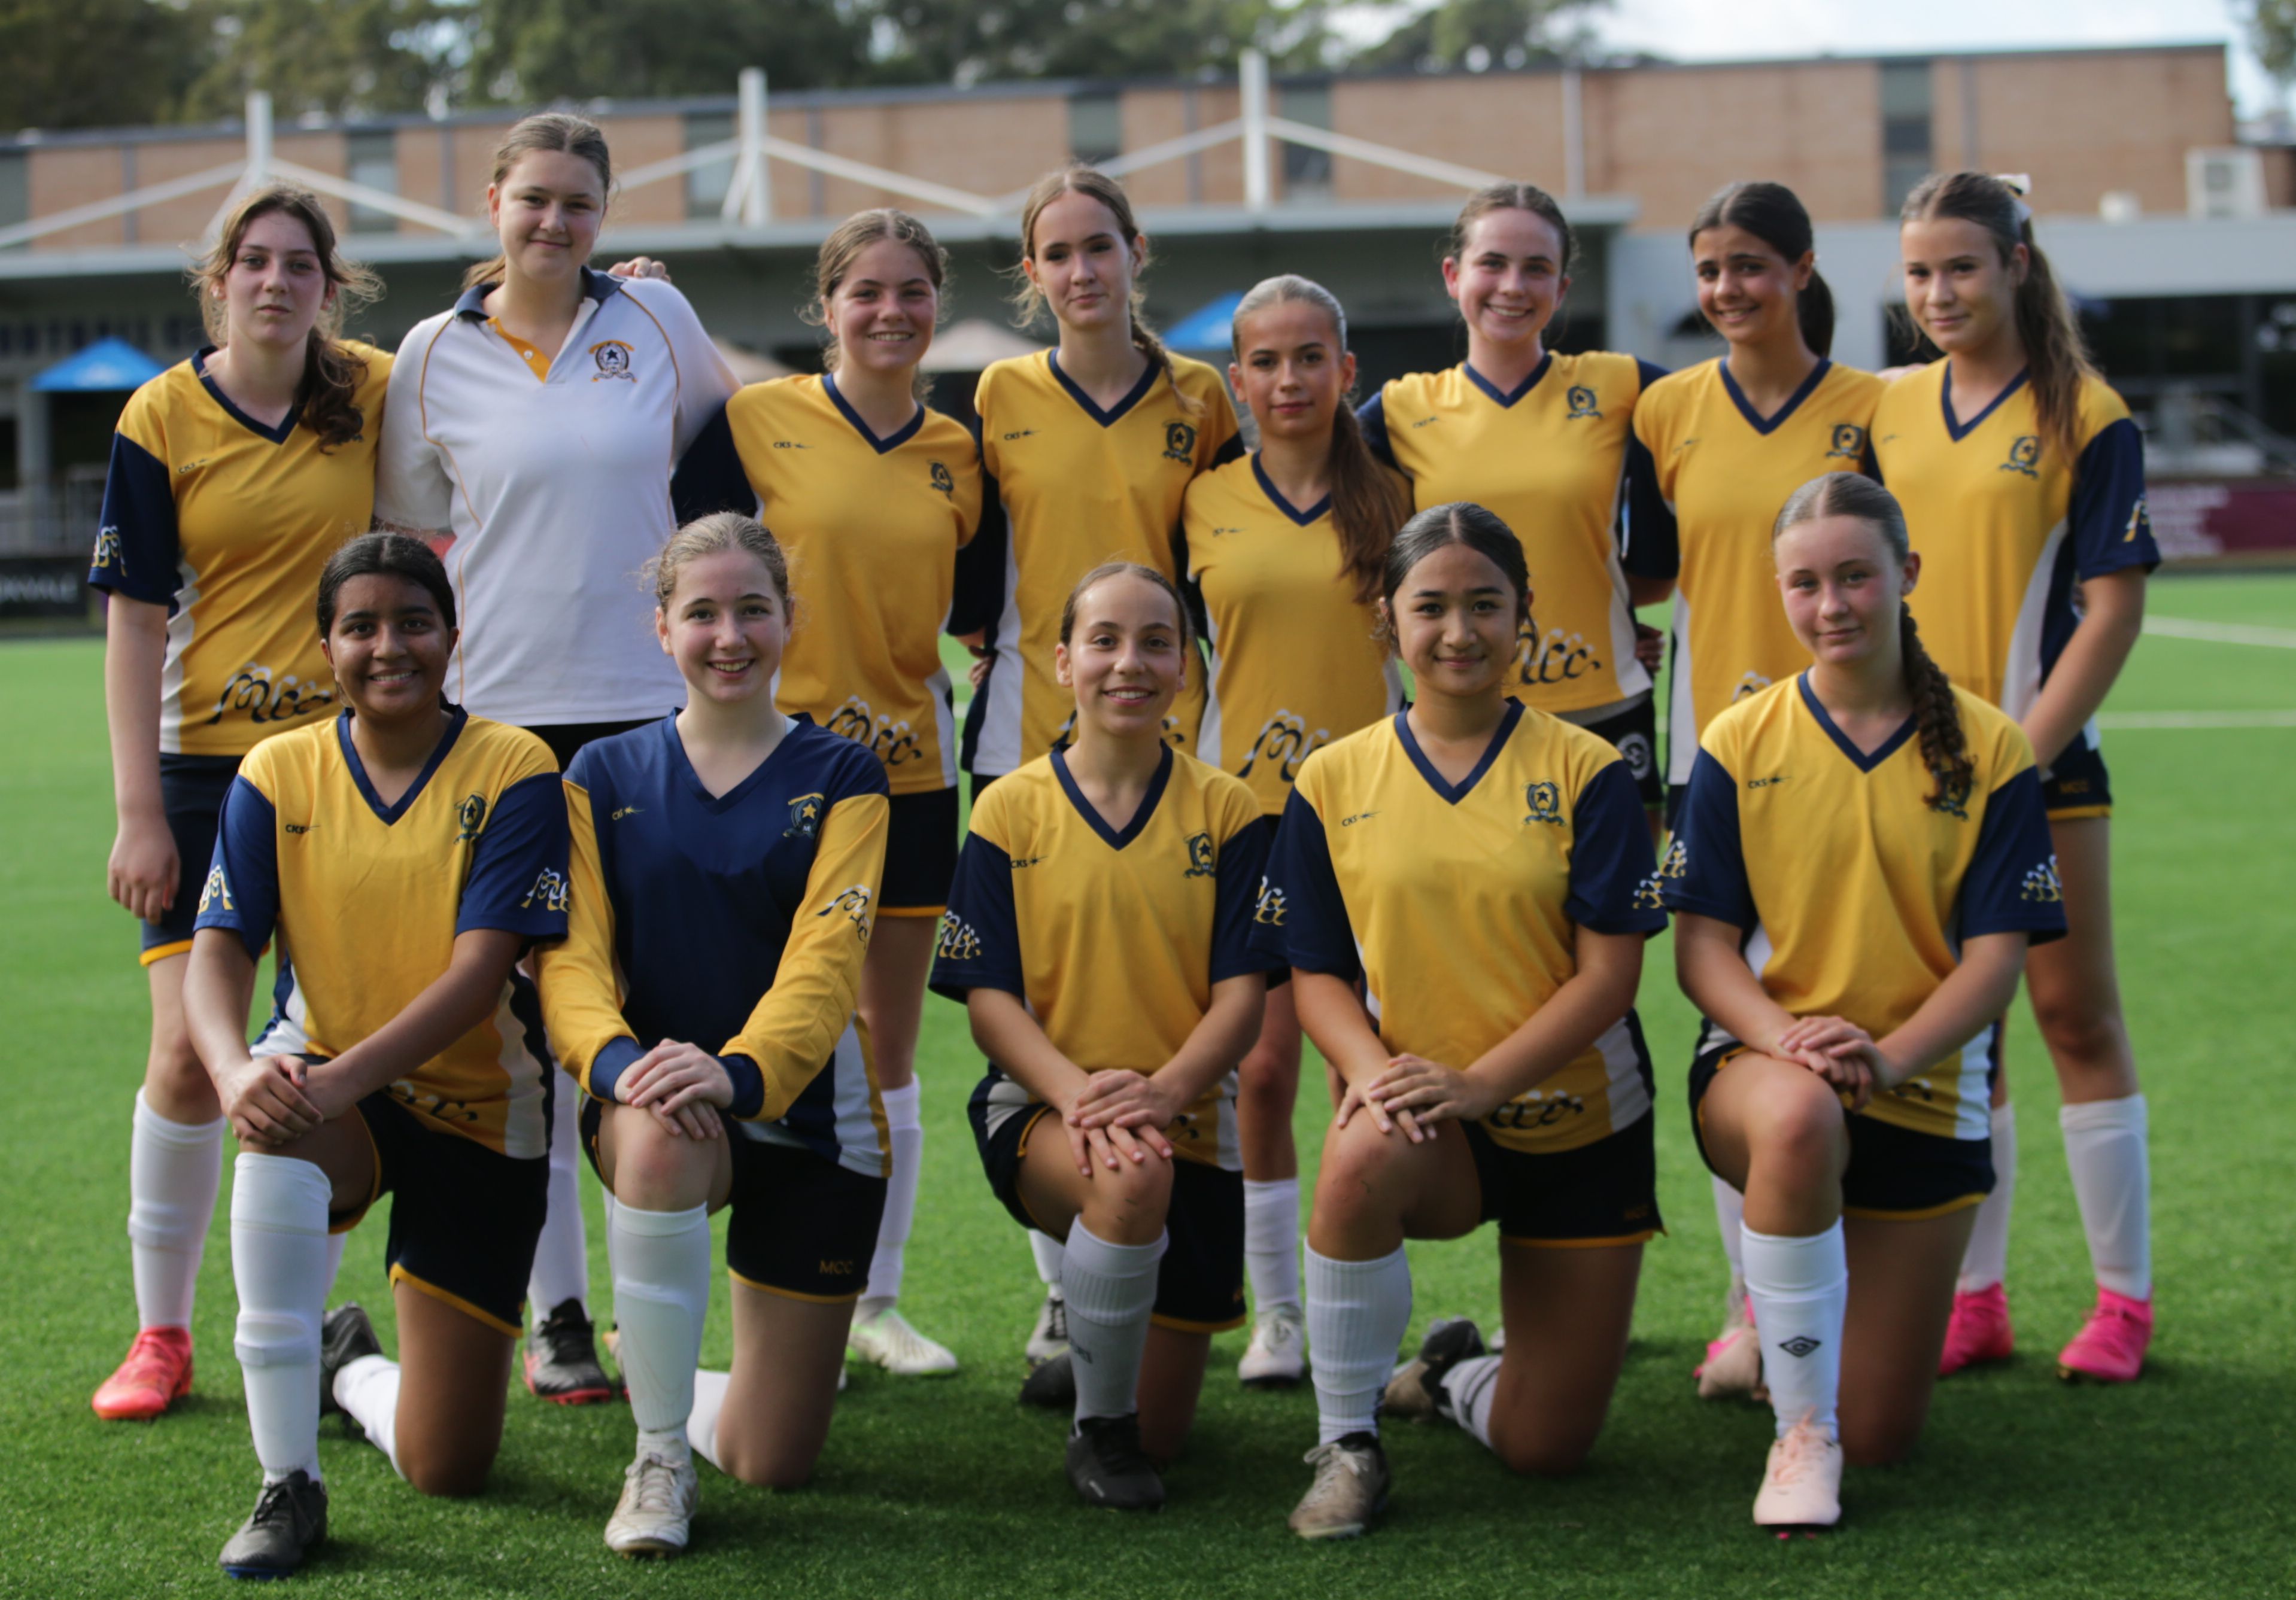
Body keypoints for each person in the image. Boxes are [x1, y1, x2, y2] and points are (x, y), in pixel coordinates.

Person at [376, 111, 739, 1402]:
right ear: (494, 203)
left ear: (605, 214)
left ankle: (657, 1310)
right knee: (521, 1032)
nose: (555, 221)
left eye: (579, 202)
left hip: (647, 721)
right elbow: (418, 525)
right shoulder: (430, 354)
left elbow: (723, 453)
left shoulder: (659, 320)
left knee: (648, 1011)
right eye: (534, 198)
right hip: (503, 727)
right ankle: (561, 1315)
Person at [1662, 472, 2066, 1528]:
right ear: (1780, 591)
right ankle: (1801, 1435)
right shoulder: (1738, 739)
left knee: (1885, 1433)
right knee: (1801, 1116)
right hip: (1766, 1072)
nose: (1831, 604)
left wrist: (1887, 1059)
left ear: (1906, 573)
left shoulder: (1991, 746)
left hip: (1923, 1085)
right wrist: (1789, 1041)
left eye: (1854, 576)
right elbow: (1701, 950)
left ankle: (1780, 1334)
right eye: (1805, 583)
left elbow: (1996, 962)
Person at [1255, 502, 1665, 1541]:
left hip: (1578, 1125)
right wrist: (1371, 1070)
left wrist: (1483, 1082)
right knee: (1357, 1150)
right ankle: (1348, 1444)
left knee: (1546, 1447)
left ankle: (1445, 1375)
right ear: (1388, 619)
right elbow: (1315, 970)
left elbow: (1610, 976)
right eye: (1430, 606)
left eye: (1485, 604)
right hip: (1430, 1127)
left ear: (1523, 614)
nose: (1458, 631)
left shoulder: (1589, 768)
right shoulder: (1331, 777)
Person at [181, 534, 570, 1577]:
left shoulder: (516, 765)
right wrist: (235, 1072)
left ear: (453, 635)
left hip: (482, 1111)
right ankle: (287, 1480)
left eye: (413, 622)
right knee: (274, 1126)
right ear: (326, 646)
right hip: (329, 1086)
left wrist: (331, 1081)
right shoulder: (277, 770)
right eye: (360, 626)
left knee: (448, 1465)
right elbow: (219, 951)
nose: (388, 646)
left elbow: (479, 974)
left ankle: (346, 1367)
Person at [533, 513, 892, 1557]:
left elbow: (826, 965)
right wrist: (624, 1068)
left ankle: (659, 1357)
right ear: (662, 629)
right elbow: (570, 965)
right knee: (658, 1135)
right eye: (702, 613)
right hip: (656, 1106)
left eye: (752, 610)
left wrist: (734, 1071)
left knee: (773, 1458)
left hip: (811, 1123)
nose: (728, 636)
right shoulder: (601, 774)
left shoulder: (847, 774)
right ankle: (658, 1455)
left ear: (789, 619)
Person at [87, 184, 389, 1421]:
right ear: (219, 280)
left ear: (329, 285)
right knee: (185, 1050)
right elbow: (134, 619)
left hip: (341, 768)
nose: (276, 282)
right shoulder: (161, 412)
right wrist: (137, 810)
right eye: (253, 261)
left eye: (299, 263)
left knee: (320, 1053)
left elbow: (502, 356)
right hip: (202, 771)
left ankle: (297, 1314)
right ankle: (160, 1333)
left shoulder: (374, 387)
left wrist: (623, 294)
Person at [672, 209, 980, 1379]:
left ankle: (869, 1301)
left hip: (909, 778)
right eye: (866, 291)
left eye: (912, 290)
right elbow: (686, 570)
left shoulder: (960, 451)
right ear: (827, 305)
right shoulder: (754, 421)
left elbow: (982, 611)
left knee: (884, 1043)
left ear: (936, 304)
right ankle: (710, 1309)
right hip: (770, 776)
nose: (890, 311)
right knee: (745, 1027)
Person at [1875, 171, 2160, 1382]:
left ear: (2016, 265)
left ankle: (2123, 1304)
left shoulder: (2086, 412)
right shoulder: (1886, 409)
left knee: (2072, 1015)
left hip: (2040, 771)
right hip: (1911, 778)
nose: (1939, 293)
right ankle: (1975, 1300)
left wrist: (2015, 759)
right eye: (1919, 272)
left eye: (1961, 267)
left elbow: (2111, 609)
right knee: (1961, 1038)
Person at [962, 163, 1243, 1366]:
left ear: (1136, 252)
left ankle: (1224, 1270)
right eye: (1058, 252)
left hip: (1168, 732)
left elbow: (1231, 550)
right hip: (1028, 732)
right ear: (1032, 272)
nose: (1082, 270)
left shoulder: (1201, 395)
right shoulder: (998, 391)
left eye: (1100, 246)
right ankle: (1063, 1286)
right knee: (1044, 1003)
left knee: (1171, 991)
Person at [931, 562, 1273, 1510]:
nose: (1131, 662)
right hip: (1047, 1111)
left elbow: (1243, 999)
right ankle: (1100, 1429)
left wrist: (1163, 1092)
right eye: (1105, 640)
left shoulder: (1228, 809)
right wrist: (1080, 1095)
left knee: (1171, 1434)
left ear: (1187, 665)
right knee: (1128, 1173)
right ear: (1061, 660)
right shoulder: (1009, 807)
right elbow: (989, 1000)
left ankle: (1098, 1361)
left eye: (1157, 642)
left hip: (1190, 1118)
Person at [1631, 180, 1888, 1401]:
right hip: (1713, 756)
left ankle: (1898, 1283)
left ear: (1799, 268)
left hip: (1856, 750)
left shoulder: (1874, 408)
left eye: (1749, 265)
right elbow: (1637, 568)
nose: (1728, 288)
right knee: (1735, 1023)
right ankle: (1749, 1305)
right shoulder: (1665, 408)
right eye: (1710, 269)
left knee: (1861, 999)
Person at [1180, 273, 1407, 1386]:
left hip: (1385, 816)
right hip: (1254, 819)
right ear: (1238, 380)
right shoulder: (1200, 500)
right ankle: (1278, 1313)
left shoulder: (1399, 499)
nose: (1288, 379)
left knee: (1372, 1072)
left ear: (1346, 370)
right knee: (1263, 1071)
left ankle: (1357, 1304)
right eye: (1266, 361)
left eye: (1310, 357)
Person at [1359, 182, 1671, 818]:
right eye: (1492, 263)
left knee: (1623, 885)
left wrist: (1612, 611)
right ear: (1453, 276)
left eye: (1536, 269)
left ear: (1562, 288)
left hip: (1603, 705)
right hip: (1459, 714)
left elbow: (1736, 411)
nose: (1512, 286)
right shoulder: (1399, 410)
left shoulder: (1621, 386)